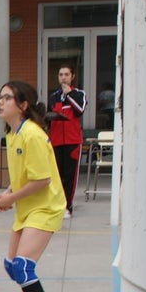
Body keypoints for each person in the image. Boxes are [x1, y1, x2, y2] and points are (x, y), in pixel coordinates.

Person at [0, 80, 67, 292]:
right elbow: (23, 176)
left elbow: (43, 179)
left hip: (46, 207)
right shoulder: (13, 134)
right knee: (12, 266)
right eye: (0, 97)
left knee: (24, 267)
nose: (1, 102)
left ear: (23, 105)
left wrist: (11, 198)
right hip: (28, 208)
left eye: (8, 97)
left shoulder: (32, 134)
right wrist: (8, 194)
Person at [46, 64, 86, 219]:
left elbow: (80, 110)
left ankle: (67, 206)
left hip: (72, 140)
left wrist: (69, 95)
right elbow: (49, 116)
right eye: (61, 74)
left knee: (70, 175)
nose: (63, 77)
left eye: (66, 74)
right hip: (55, 141)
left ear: (72, 76)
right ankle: (56, 204)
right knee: (56, 175)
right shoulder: (53, 96)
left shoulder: (79, 94)